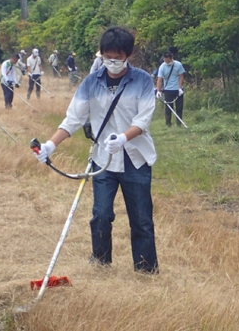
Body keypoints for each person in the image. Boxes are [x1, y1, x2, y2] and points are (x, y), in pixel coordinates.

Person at [34, 27, 159, 274]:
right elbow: (73, 119)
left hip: (136, 158)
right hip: (103, 160)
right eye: (107, 57)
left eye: (117, 58)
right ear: (101, 55)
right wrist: (50, 145)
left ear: (129, 56)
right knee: (100, 214)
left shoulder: (143, 81)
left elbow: (143, 120)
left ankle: (146, 270)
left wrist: (124, 137)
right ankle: (101, 263)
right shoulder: (91, 82)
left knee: (141, 219)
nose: (111, 63)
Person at [156, 51, 186, 127]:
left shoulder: (178, 65)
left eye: (168, 60)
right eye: (165, 60)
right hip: (168, 90)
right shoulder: (162, 67)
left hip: (177, 90)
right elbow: (159, 79)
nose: (166, 62)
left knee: (179, 107)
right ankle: (168, 124)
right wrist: (158, 91)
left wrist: (180, 88)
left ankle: (179, 124)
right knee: (168, 108)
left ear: (171, 58)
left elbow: (181, 77)